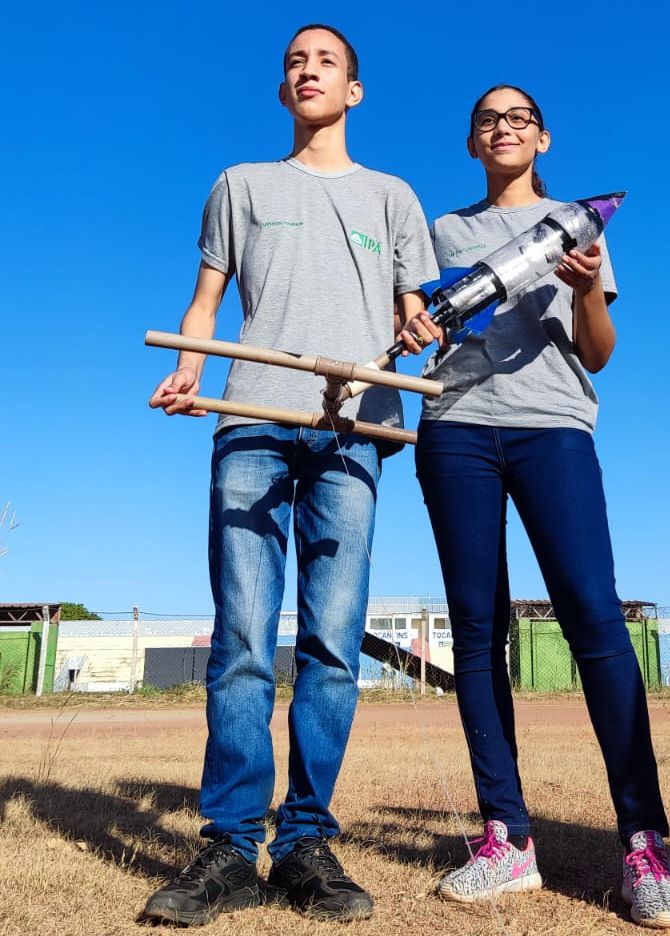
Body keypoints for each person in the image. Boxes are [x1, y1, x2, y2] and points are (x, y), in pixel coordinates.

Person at [144, 24, 437, 926]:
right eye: (294, 63)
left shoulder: (393, 196)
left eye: (326, 61)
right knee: (241, 636)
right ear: (283, 90)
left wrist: (418, 328)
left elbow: (413, 315)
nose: (308, 70)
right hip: (253, 421)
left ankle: (306, 841)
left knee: (333, 644)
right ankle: (232, 848)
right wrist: (190, 367)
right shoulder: (241, 184)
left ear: (355, 90)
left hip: (352, 430)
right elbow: (206, 300)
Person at [403, 85, 670, 928]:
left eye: (518, 118)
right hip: (454, 428)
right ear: (470, 142)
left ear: (544, 138)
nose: (503, 128)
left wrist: (589, 288)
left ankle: (642, 845)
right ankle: (508, 839)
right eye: (487, 120)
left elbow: (597, 354)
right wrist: (419, 325)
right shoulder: (440, 233)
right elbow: (417, 322)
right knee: (477, 629)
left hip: (554, 428)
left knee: (595, 618)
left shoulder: (579, 226)